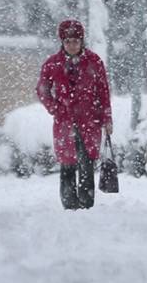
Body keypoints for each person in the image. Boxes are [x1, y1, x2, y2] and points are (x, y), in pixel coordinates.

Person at [36, 19, 113, 210]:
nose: (72, 45)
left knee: (87, 163)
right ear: (62, 42)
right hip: (65, 122)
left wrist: (107, 118)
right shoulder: (52, 64)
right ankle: (69, 204)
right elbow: (42, 90)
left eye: (76, 41)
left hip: (90, 120)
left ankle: (86, 203)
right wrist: (55, 108)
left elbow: (103, 92)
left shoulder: (94, 62)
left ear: (82, 41)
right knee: (67, 163)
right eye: (68, 41)